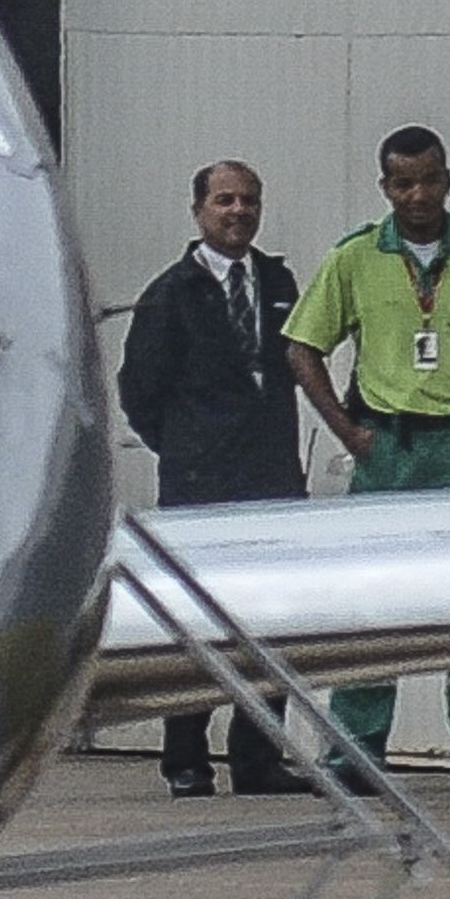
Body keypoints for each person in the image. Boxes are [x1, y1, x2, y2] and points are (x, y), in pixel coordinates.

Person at [282, 125, 450, 799]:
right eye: (404, 183)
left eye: (430, 180)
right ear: (386, 188)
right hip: (386, 450)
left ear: (448, 180)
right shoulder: (356, 258)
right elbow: (302, 347)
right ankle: (358, 749)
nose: (419, 195)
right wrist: (349, 434)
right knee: (372, 603)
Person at [115, 158, 305, 796]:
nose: (238, 212)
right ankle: (187, 759)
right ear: (198, 210)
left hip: (271, 477)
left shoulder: (278, 281)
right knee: (194, 621)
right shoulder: (170, 294)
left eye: (249, 200)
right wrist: (187, 448)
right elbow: (139, 390)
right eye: (225, 200)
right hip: (201, 484)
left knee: (270, 617)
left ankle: (259, 758)